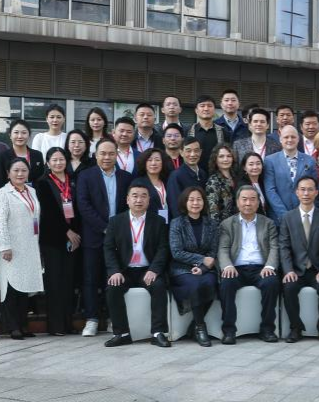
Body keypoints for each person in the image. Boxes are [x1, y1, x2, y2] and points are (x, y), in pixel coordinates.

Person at [74, 138, 134, 337]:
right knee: (91, 279)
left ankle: (112, 318)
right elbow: (83, 205)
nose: (107, 157)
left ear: (117, 155)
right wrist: (105, 228)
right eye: (103, 153)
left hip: (118, 238)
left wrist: (116, 230)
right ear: (96, 155)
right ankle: (91, 319)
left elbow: (127, 206)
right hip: (93, 236)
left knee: (114, 278)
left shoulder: (126, 177)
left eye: (111, 153)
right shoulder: (86, 176)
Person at [102, 183, 171, 347]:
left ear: (148, 200)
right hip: (124, 271)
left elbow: (163, 248)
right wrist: (114, 271)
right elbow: (108, 248)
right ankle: (122, 334)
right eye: (135, 196)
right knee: (112, 288)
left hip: (147, 270)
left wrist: (154, 270)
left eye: (143, 196)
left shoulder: (158, 221)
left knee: (159, 286)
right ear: (127, 199)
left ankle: (158, 333)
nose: (139, 200)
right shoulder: (116, 221)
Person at [216, 185, 282, 344]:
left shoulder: (268, 223)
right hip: (236, 268)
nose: (248, 203)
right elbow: (223, 249)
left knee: (271, 283)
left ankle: (267, 329)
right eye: (244, 199)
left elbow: (275, 247)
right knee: (227, 283)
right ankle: (229, 331)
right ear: (237, 202)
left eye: (252, 199)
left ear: (258, 203)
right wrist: (227, 266)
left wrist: (269, 266)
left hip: (261, 268)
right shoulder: (227, 224)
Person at [277, 176, 319, 343]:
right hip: (296, 270)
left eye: (310, 189)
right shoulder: (287, 217)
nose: (306, 193)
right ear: (296, 192)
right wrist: (288, 270)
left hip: (318, 269)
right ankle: (295, 328)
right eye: (302, 189)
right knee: (288, 287)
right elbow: (284, 246)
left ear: (316, 192)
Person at [0, 159, 45, 339]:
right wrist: (5, 246)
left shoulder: (32, 191)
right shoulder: (3, 193)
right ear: (8, 173)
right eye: (16, 170)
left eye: (24, 170)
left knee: (24, 287)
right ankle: (12, 326)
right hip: (11, 247)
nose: (20, 174)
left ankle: (23, 325)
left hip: (29, 244)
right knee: (11, 287)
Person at [34, 148, 79, 336]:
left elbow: (78, 208)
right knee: (54, 282)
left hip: (73, 239)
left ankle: (68, 324)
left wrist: (75, 233)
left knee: (69, 282)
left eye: (61, 159)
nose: (58, 163)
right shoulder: (42, 183)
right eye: (54, 160)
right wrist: (67, 231)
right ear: (48, 162)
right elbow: (48, 212)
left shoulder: (73, 181)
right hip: (52, 238)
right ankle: (56, 326)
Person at [168, 187, 219, 346]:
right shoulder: (177, 223)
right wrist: (201, 259)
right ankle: (201, 327)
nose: (195, 203)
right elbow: (176, 252)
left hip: (205, 269)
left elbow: (213, 251)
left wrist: (203, 268)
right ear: (185, 202)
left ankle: (194, 326)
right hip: (181, 268)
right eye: (191, 199)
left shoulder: (211, 224)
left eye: (199, 199)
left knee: (212, 283)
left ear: (204, 202)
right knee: (195, 285)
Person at [263, 125, 319, 218]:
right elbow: (270, 190)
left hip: (303, 215)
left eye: (293, 137)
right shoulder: (270, 161)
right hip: (278, 216)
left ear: (298, 139)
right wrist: (284, 215)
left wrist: (302, 212)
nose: (290, 140)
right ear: (280, 139)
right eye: (286, 137)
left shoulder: (310, 160)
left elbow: (313, 188)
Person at [0, 119, 47, 189]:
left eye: (24, 133)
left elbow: (41, 180)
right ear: (10, 135)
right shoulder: (2, 157)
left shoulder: (37, 155)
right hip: (9, 194)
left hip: (34, 194)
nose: (20, 136)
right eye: (16, 132)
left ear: (29, 135)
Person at [187, 95, 229, 171]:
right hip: (194, 173)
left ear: (214, 110)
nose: (206, 109)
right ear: (196, 110)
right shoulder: (188, 131)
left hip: (217, 173)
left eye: (209, 106)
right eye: (202, 106)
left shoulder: (224, 132)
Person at [165, 138, 206, 212]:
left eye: (196, 150)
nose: (192, 154)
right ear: (181, 153)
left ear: (200, 152)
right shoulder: (176, 176)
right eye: (188, 151)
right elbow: (174, 205)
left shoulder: (203, 173)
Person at [133, 149, 173, 221]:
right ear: (144, 163)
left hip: (169, 222)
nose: (153, 163)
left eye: (157, 160)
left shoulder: (168, 181)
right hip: (148, 223)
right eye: (149, 160)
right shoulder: (138, 183)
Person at [205, 145, 240, 222]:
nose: (225, 159)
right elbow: (213, 213)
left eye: (229, 156)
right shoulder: (213, 181)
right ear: (215, 159)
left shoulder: (237, 178)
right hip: (223, 225)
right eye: (221, 156)